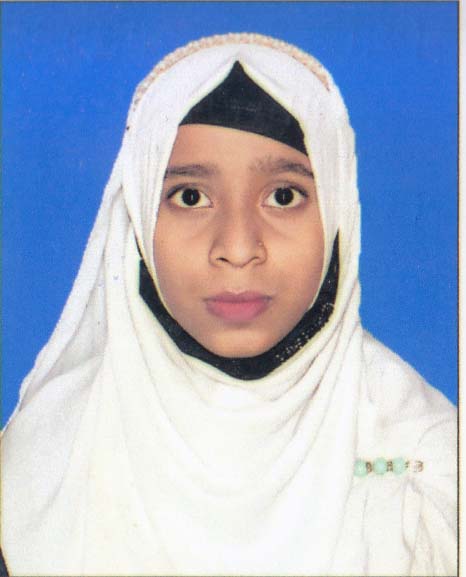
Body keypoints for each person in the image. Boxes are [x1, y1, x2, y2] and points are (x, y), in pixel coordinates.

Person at [1, 33, 457, 576]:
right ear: (139, 221)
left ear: (339, 214)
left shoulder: (431, 469)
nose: (238, 248)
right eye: (190, 197)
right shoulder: (38, 470)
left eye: (283, 196)